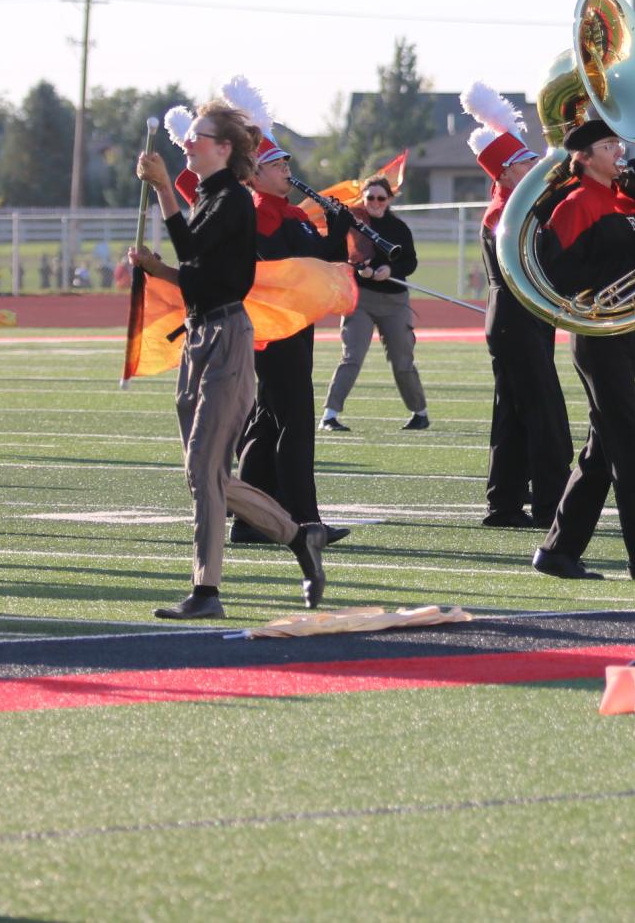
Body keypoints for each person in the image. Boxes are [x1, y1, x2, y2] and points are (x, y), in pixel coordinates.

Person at [125, 100, 330, 619]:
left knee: (204, 467)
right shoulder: (214, 199)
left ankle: (207, 590)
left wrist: (165, 190)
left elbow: (197, 259)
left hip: (226, 338)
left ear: (224, 148)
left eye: (197, 136)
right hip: (200, 333)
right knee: (205, 472)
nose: (187, 142)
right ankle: (297, 535)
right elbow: (197, 272)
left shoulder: (233, 200)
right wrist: (158, 268)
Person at [531, 116, 635, 581]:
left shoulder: (625, 197)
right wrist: (634, 254)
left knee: (603, 446)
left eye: (617, 143)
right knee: (628, 438)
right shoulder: (575, 204)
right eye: (608, 146)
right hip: (595, 330)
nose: (619, 151)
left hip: (625, 327)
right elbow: (560, 275)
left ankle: (559, 551)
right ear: (582, 157)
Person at [217, 77, 355, 545]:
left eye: (285, 162)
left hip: (296, 328)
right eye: (277, 164)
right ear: (254, 173)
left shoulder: (292, 214)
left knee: (270, 421)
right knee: (295, 424)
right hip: (272, 331)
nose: (287, 170)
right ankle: (304, 521)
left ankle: (251, 521)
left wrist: (339, 229)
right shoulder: (258, 213)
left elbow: (320, 263)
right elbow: (278, 266)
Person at [463, 82, 573, 530]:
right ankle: (551, 506)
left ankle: (505, 503)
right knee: (545, 413)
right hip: (516, 317)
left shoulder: (517, 207)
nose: (535, 167)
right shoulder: (506, 213)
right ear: (505, 174)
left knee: (512, 411)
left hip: (521, 317)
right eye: (526, 162)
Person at [321, 175, 428, 433]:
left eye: (381, 198)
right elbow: (343, 255)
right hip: (361, 300)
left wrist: (389, 269)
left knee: (402, 359)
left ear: (389, 199)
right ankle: (329, 415)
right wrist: (362, 271)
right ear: (364, 198)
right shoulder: (353, 224)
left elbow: (410, 263)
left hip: (395, 300)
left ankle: (420, 413)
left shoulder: (400, 228)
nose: (376, 202)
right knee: (352, 356)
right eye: (370, 198)